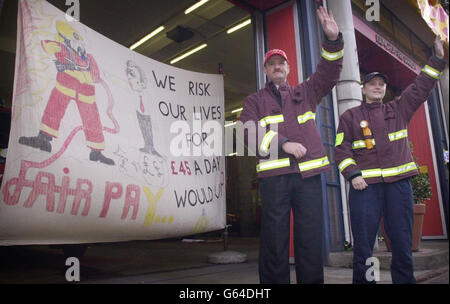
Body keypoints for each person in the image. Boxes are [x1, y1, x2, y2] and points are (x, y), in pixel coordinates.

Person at [239, 7, 344, 284]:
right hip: (274, 180)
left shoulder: (305, 91)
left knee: (310, 239)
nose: (277, 67)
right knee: (274, 240)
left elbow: (329, 73)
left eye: (281, 64)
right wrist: (282, 143)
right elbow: (246, 131)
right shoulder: (254, 101)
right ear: (265, 69)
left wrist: (333, 41)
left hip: (308, 178)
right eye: (272, 64)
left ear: (288, 68)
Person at [334, 36, 446, 284]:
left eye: (381, 84)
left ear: (385, 89)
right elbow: (340, 150)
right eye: (372, 84)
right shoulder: (350, 117)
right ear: (363, 89)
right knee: (364, 245)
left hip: (399, 186)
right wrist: (353, 175)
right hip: (366, 188)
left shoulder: (399, 109)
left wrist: (437, 59)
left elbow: (421, 86)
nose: (377, 87)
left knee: (402, 242)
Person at [19, 21, 114, 165]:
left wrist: (85, 70)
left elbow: (95, 76)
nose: (78, 45)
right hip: (65, 85)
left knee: (92, 120)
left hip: (86, 92)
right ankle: (44, 139)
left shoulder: (89, 58)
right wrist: (58, 44)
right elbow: (45, 45)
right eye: (73, 41)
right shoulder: (62, 48)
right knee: (54, 109)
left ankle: (96, 152)